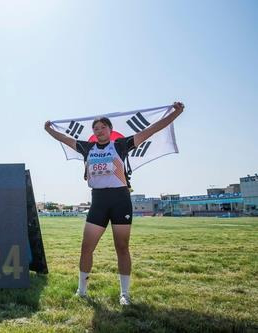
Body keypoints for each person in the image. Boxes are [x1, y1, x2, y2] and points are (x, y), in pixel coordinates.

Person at [44, 102, 185, 305]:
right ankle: (81, 291)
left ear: (110, 130)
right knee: (86, 248)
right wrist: (49, 130)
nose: (99, 131)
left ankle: (124, 294)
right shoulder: (87, 147)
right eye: (96, 129)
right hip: (98, 202)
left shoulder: (120, 145)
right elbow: (64, 138)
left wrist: (176, 113)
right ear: (93, 133)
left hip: (120, 200)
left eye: (103, 127)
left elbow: (152, 129)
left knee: (122, 247)